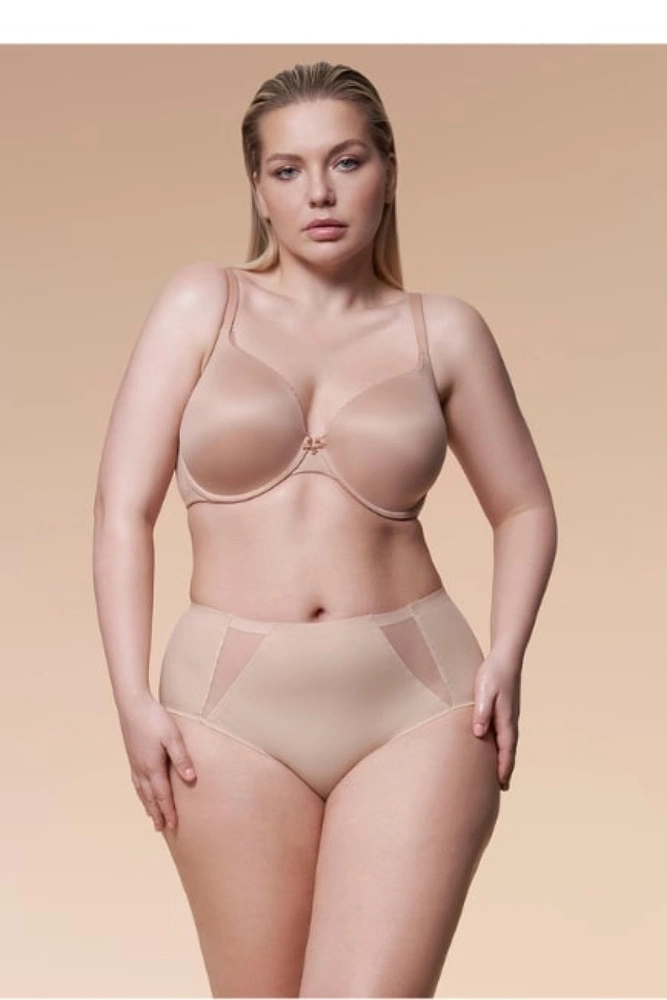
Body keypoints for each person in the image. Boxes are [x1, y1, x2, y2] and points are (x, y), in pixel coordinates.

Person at [93, 60, 558, 998]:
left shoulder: (444, 331)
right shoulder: (201, 303)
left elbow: (523, 507)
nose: (319, 192)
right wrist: (130, 697)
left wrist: (506, 657)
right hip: (226, 713)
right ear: (258, 190)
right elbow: (120, 512)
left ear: (388, 169)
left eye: (346, 161)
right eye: (288, 169)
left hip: (419, 704)